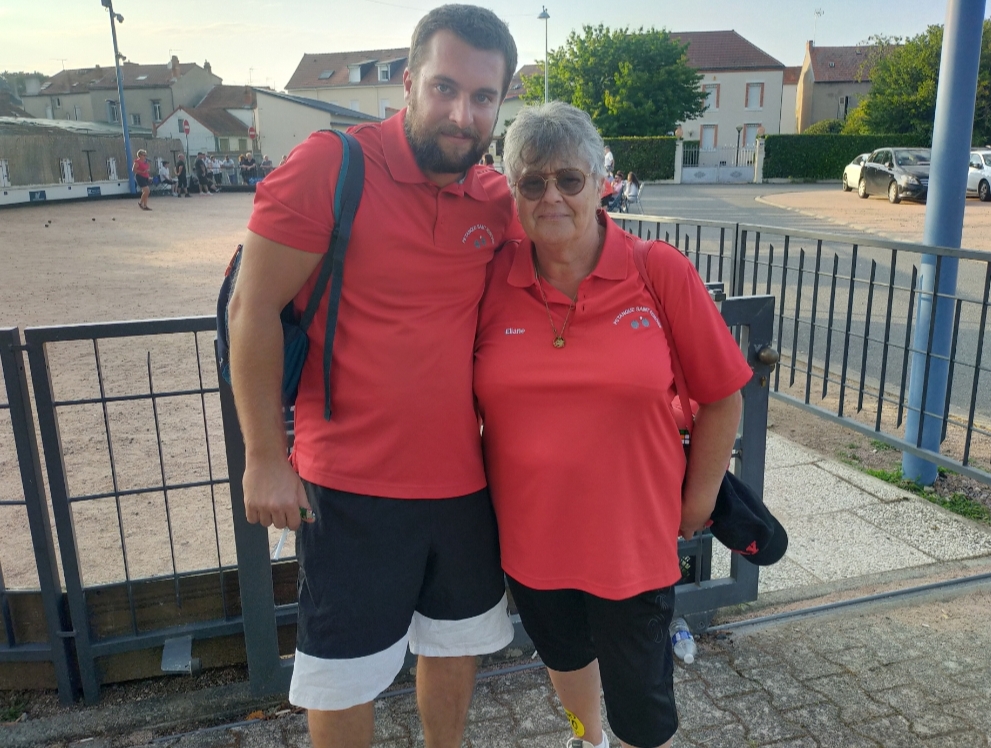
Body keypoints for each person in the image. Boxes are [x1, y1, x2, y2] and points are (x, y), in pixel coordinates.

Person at [227, 6, 520, 748]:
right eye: (444, 87)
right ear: (407, 81)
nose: (461, 114)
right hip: (350, 486)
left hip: (464, 484)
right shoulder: (332, 165)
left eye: (482, 97)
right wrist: (265, 457)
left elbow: (568, 256)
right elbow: (252, 308)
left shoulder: (492, 198)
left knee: (454, 646)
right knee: (343, 673)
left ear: (500, 102)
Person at [473, 102, 752, 748]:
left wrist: (698, 501)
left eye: (569, 179)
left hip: (632, 539)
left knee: (642, 702)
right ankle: (586, 737)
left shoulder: (657, 271)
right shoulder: (491, 282)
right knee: (564, 660)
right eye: (532, 182)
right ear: (512, 191)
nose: (552, 197)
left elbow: (721, 395)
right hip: (531, 541)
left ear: (601, 181)